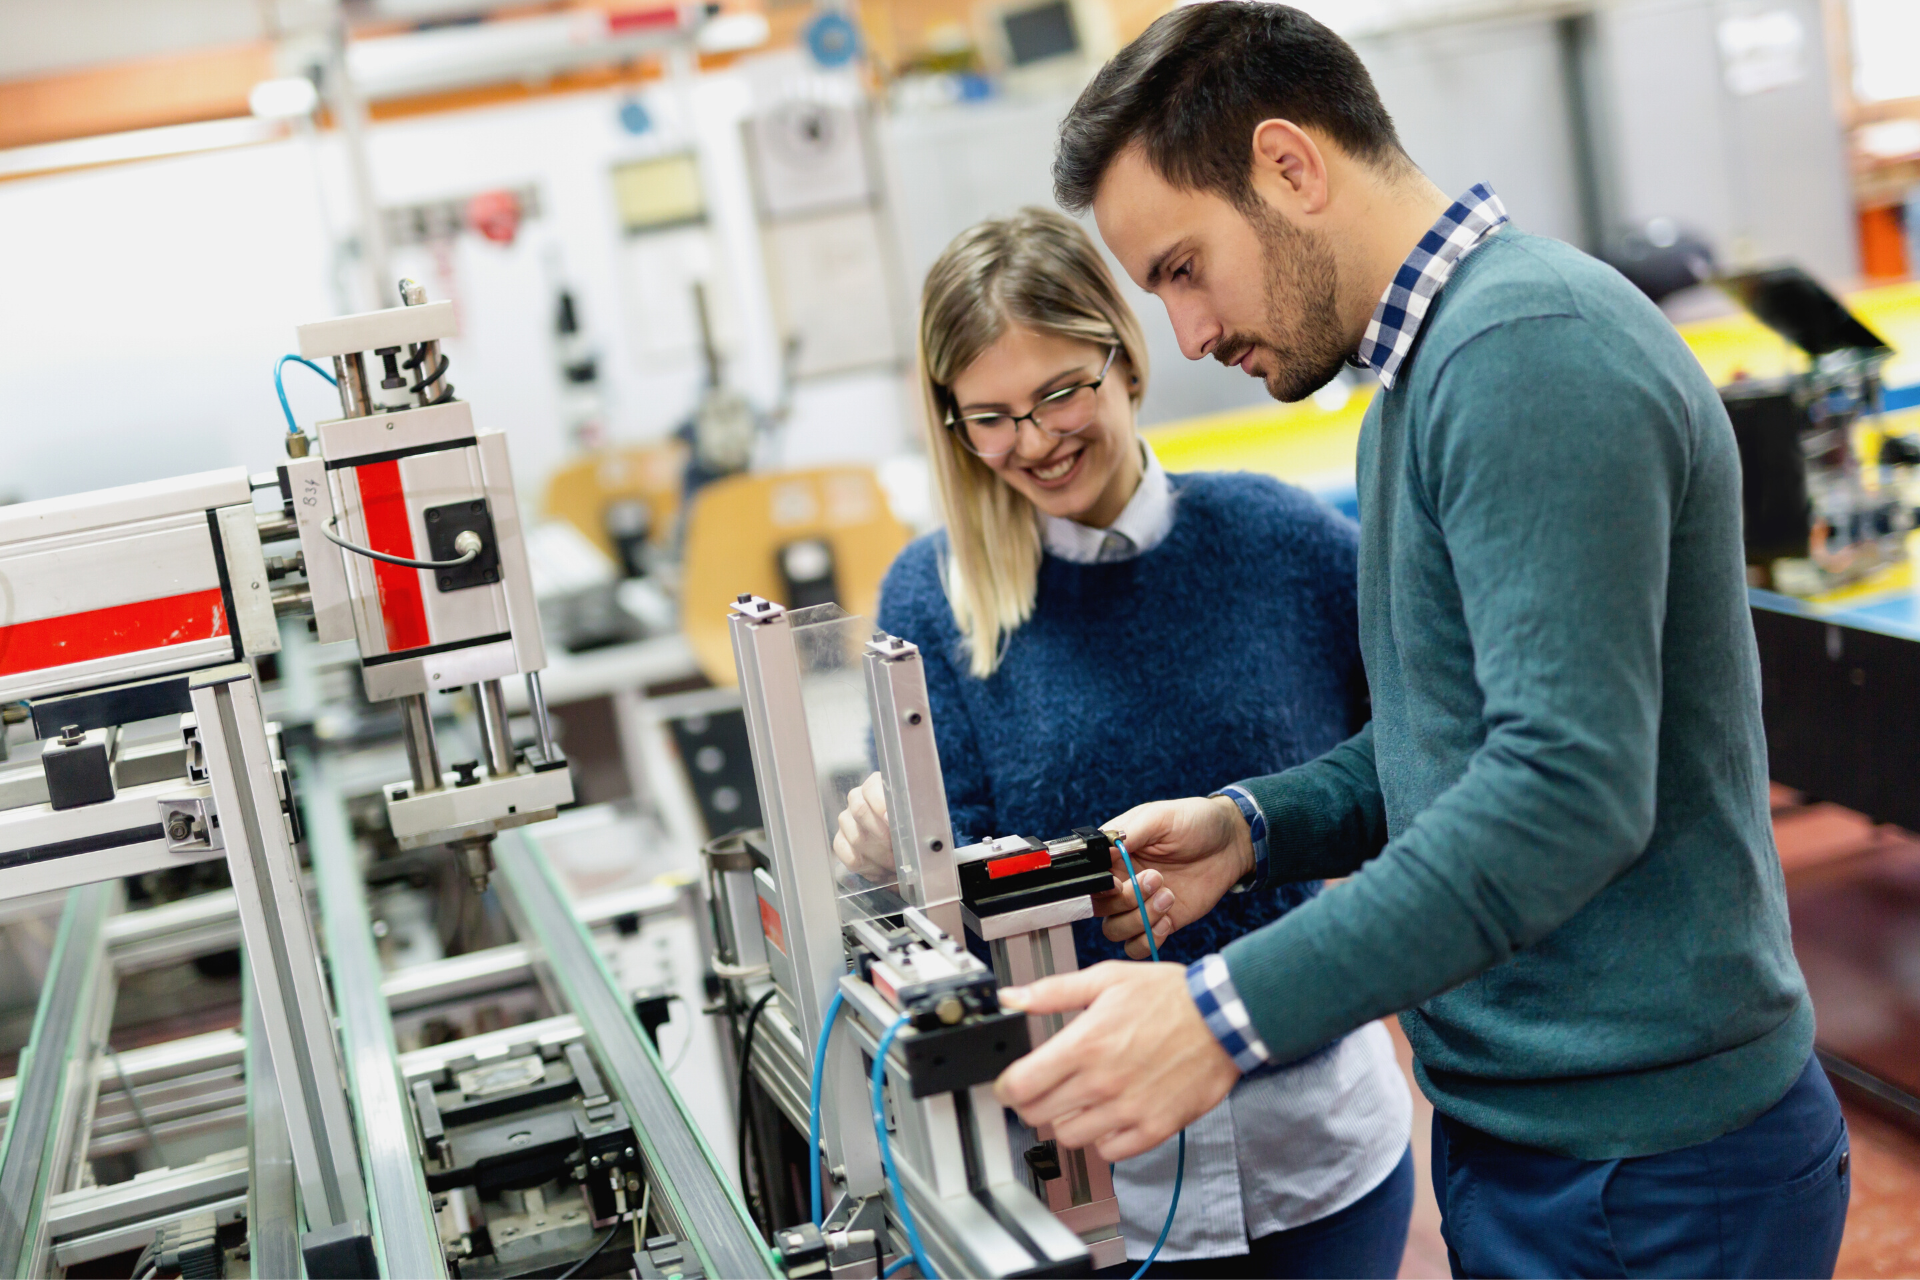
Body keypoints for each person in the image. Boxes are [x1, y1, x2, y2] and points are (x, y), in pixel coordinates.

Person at [988, 6, 1852, 1279]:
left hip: (1651, 1169)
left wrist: (1224, 1013)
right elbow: (1448, 737)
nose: (1189, 333)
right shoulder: (1417, 385)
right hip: (1549, 1144)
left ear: (1289, 165)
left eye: (1183, 268)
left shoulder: (1524, 351)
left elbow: (1561, 792)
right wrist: (1254, 827)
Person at [835, 206, 1414, 1277]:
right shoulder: (934, 595)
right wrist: (889, 850)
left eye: (1061, 391)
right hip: (1097, 1176)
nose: (1035, 441)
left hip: (1319, 1143)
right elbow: (947, 893)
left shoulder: (1284, 541)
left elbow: (1414, 764)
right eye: (990, 416)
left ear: (1125, 358)